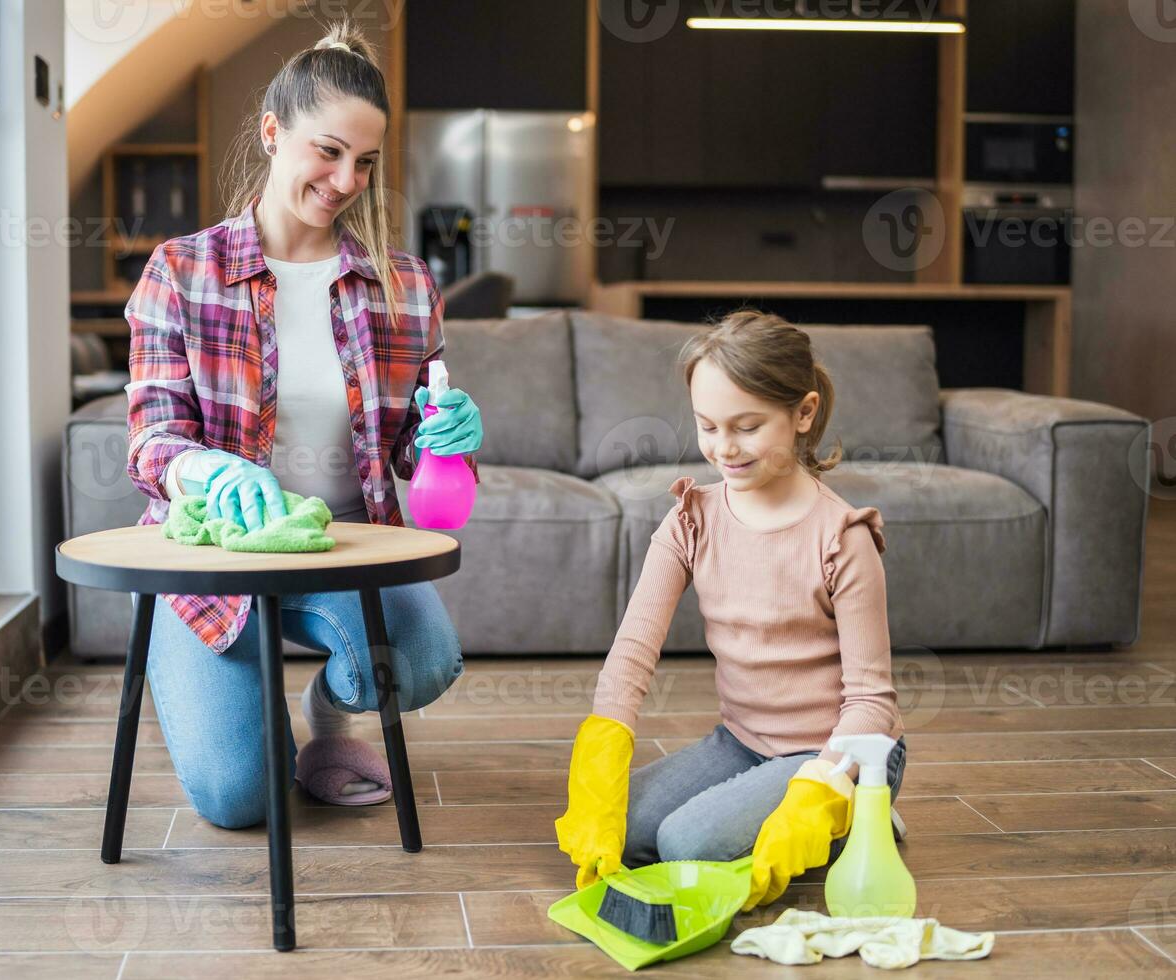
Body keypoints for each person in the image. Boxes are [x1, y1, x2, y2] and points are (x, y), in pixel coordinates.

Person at [123, 19, 483, 827]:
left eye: (365, 162)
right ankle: (249, 718)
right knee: (241, 801)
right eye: (328, 151)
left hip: (346, 545)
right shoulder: (183, 271)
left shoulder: (402, 285)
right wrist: (211, 470)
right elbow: (152, 441)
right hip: (213, 557)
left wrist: (443, 435)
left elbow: (407, 454)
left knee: (422, 662)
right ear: (271, 131)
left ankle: (325, 717)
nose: (347, 179)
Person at [554, 310, 907, 910]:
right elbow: (633, 651)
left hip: (841, 749)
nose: (723, 448)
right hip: (741, 741)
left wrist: (818, 790)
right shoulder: (692, 520)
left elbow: (873, 701)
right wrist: (602, 752)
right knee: (628, 827)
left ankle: (862, 810)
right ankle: (815, 812)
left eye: (746, 427)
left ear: (803, 413)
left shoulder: (840, 538)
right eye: (707, 426)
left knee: (686, 842)